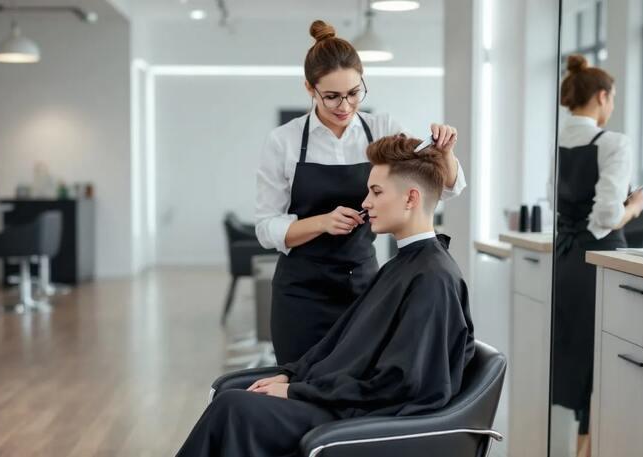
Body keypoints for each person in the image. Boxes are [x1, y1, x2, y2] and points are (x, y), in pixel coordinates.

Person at [176, 134, 475, 457]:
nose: (365, 203)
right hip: (341, 400)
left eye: (375, 192)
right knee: (232, 396)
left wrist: (296, 391)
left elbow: (401, 384)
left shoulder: (433, 279)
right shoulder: (401, 266)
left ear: (411, 198)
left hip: (362, 419)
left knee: (233, 407)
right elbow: (341, 345)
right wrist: (289, 374)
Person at [256, 19, 465, 365]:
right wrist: (322, 222)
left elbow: (440, 187)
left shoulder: (382, 127)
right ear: (310, 89)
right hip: (301, 294)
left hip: (364, 287)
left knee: (350, 389)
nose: (345, 106)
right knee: (296, 387)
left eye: (354, 93)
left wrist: (445, 152)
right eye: (332, 96)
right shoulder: (284, 142)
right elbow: (266, 229)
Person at [552, 54, 643, 457]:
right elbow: (607, 215)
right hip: (600, 260)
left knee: (578, 358)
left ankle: (582, 449)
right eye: (613, 99)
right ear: (603, 97)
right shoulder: (613, 142)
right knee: (602, 365)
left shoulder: (557, 141)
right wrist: (635, 207)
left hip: (565, 259)